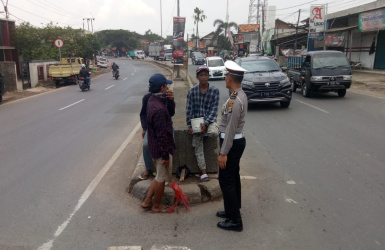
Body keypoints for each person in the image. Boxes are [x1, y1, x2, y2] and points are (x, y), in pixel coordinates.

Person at [216, 60, 248, 232]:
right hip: (235, 141)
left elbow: (230, 129)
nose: (225, 77)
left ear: (230, 78)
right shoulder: (238, 95)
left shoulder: (235, 101)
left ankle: (235, 220)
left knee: (226, 179)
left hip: (231, 143)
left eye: (226, 75)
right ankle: (232, 209)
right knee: (233, 176)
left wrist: (223, 152)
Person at [141, 73, 175, 213]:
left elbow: (171, 113)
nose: (168, 87)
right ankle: (156, 205)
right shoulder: (159, 109)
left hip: (154, 145)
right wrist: (166, 156)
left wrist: (171, 101)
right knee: (161, 178)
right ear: (162, 87)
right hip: (160, 148)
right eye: (166, 85)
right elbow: (163, 136)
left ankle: (147, 201)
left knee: (158, 176)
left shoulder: (153, 99)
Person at [186, 65, 220, 182]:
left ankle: (205, 135)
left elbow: (214, 110)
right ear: (197, 77)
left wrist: (205, 123)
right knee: (197, 146)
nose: (204, 77)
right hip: (196, 123)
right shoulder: (192, 92)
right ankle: (203, 172)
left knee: (214, 133)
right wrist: (190, 126)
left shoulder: (215, 91)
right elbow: (189, 110)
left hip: (209, 121)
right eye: (201, 75)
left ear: (208, 76)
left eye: (206, 75)